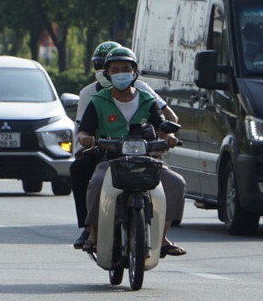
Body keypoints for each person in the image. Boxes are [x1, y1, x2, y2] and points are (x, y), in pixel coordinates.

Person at [76, 46, 187, 258]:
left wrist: (169, 137)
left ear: (134, 72)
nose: (121, 74)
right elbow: (84, 129)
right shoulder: (98, 101)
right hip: (110, 161)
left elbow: (162, 126)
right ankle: (93, 234)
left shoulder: (147, 99)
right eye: (115, 70)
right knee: (96, 183)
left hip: (145, 161)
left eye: (125, 69)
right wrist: (85, 138)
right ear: (108, 73)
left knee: (176, 183)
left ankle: (162, 238)